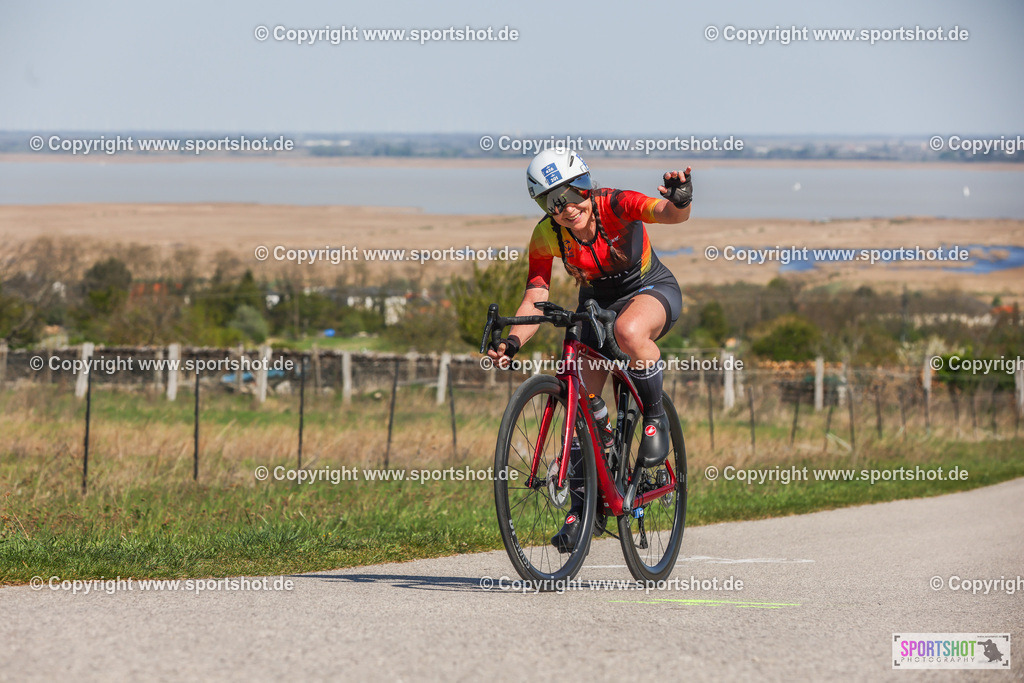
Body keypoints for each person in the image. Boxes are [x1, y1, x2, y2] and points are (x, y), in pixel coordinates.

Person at [486, 147, 692, 551]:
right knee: (581, 403)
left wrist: (680, 198)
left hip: (648, 290)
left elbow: (670, 215)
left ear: (584, 183)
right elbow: (536, 295)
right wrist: (511, 341)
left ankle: (654, 420)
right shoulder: (546, 234)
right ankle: (581, 514)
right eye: (550, 201)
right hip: (595, 304)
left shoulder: (616, 203)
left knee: (629, 331)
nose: (563, 207)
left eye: (568, 192)